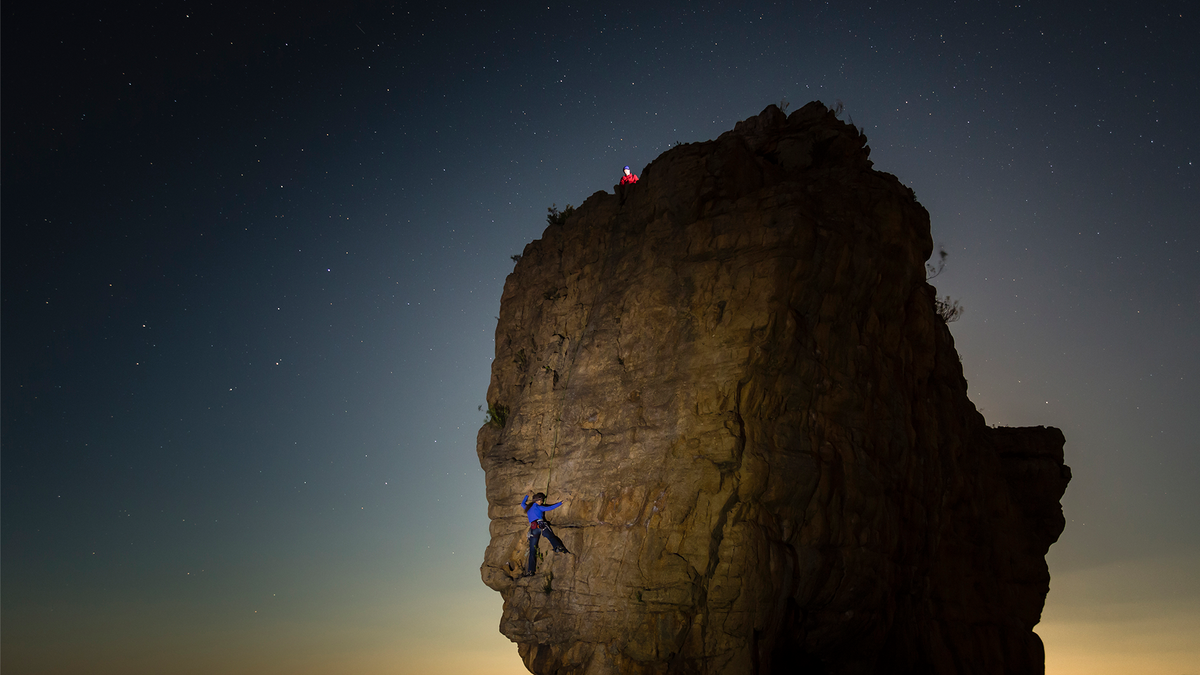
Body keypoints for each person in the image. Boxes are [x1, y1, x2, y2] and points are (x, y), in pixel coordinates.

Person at [522, 491, 569, 576]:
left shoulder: (528, 508)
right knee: (550, 536)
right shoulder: (539, 507)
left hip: (533, 529)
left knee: (532, 550)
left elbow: (522, 503)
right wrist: (561, 503)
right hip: (541, 525)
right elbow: (549, 508)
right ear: (538, 500)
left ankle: (530, 571)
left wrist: (527, 495)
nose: (542, 502)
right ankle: (557, 547)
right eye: (541, 500)